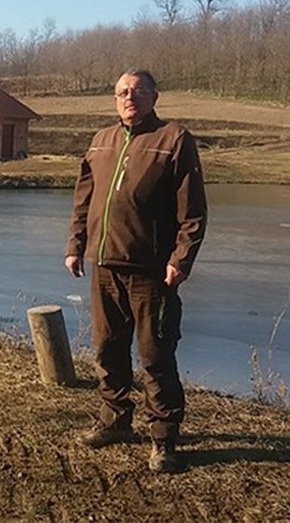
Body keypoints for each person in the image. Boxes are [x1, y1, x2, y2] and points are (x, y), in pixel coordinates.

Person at [65, 69, 207, 473]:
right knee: (107, 348)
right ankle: (115, 419)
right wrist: (76, 246)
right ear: (115, 100)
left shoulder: (173, 139)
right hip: (103, 264)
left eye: (138, 91)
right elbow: (83, 201)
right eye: (123, 92)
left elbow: (193, 212)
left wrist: (181, 260)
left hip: (152, 271)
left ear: (154, 96)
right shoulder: (100, 141)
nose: (130, 97)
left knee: (155, 355)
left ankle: (164, 438)